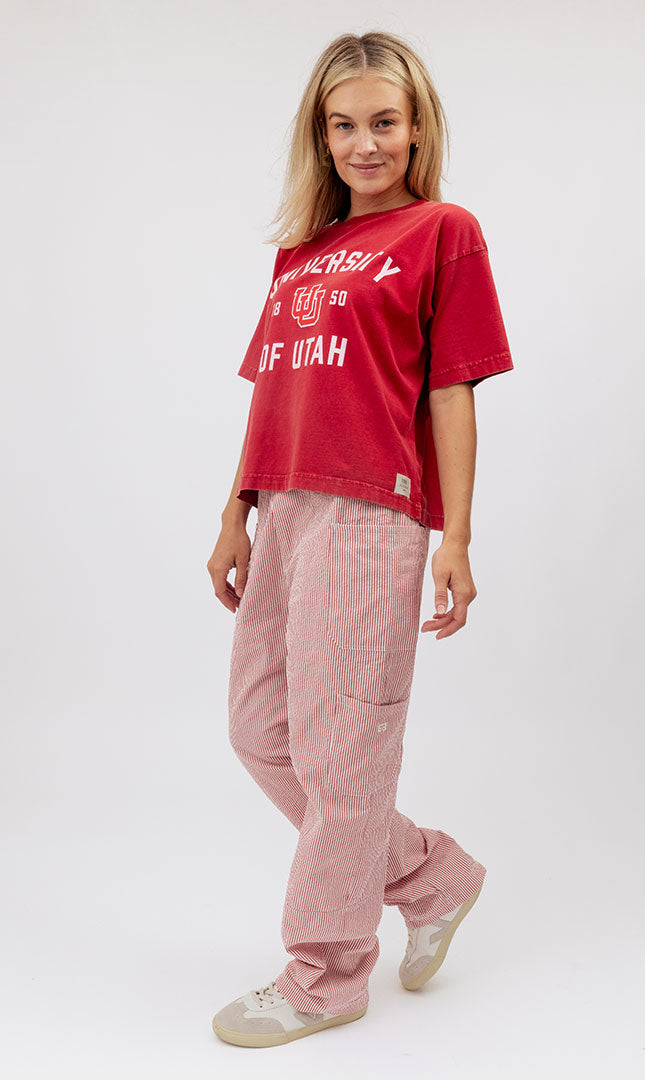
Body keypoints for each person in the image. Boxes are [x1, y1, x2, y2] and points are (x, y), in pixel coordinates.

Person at [206, 30, 514, 1049]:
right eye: (344, 126)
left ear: (417, 128)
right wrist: (236, 511)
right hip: (286, 509)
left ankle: (327, 974)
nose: (364, 144)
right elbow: (273, 392)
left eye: (384, 122)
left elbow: (453, 390)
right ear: (321, 136)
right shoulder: (301, 253)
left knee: (343, 756)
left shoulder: (443, 233)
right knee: (261, 731)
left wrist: (455, 535)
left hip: (374, 510)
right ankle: (428, 877)